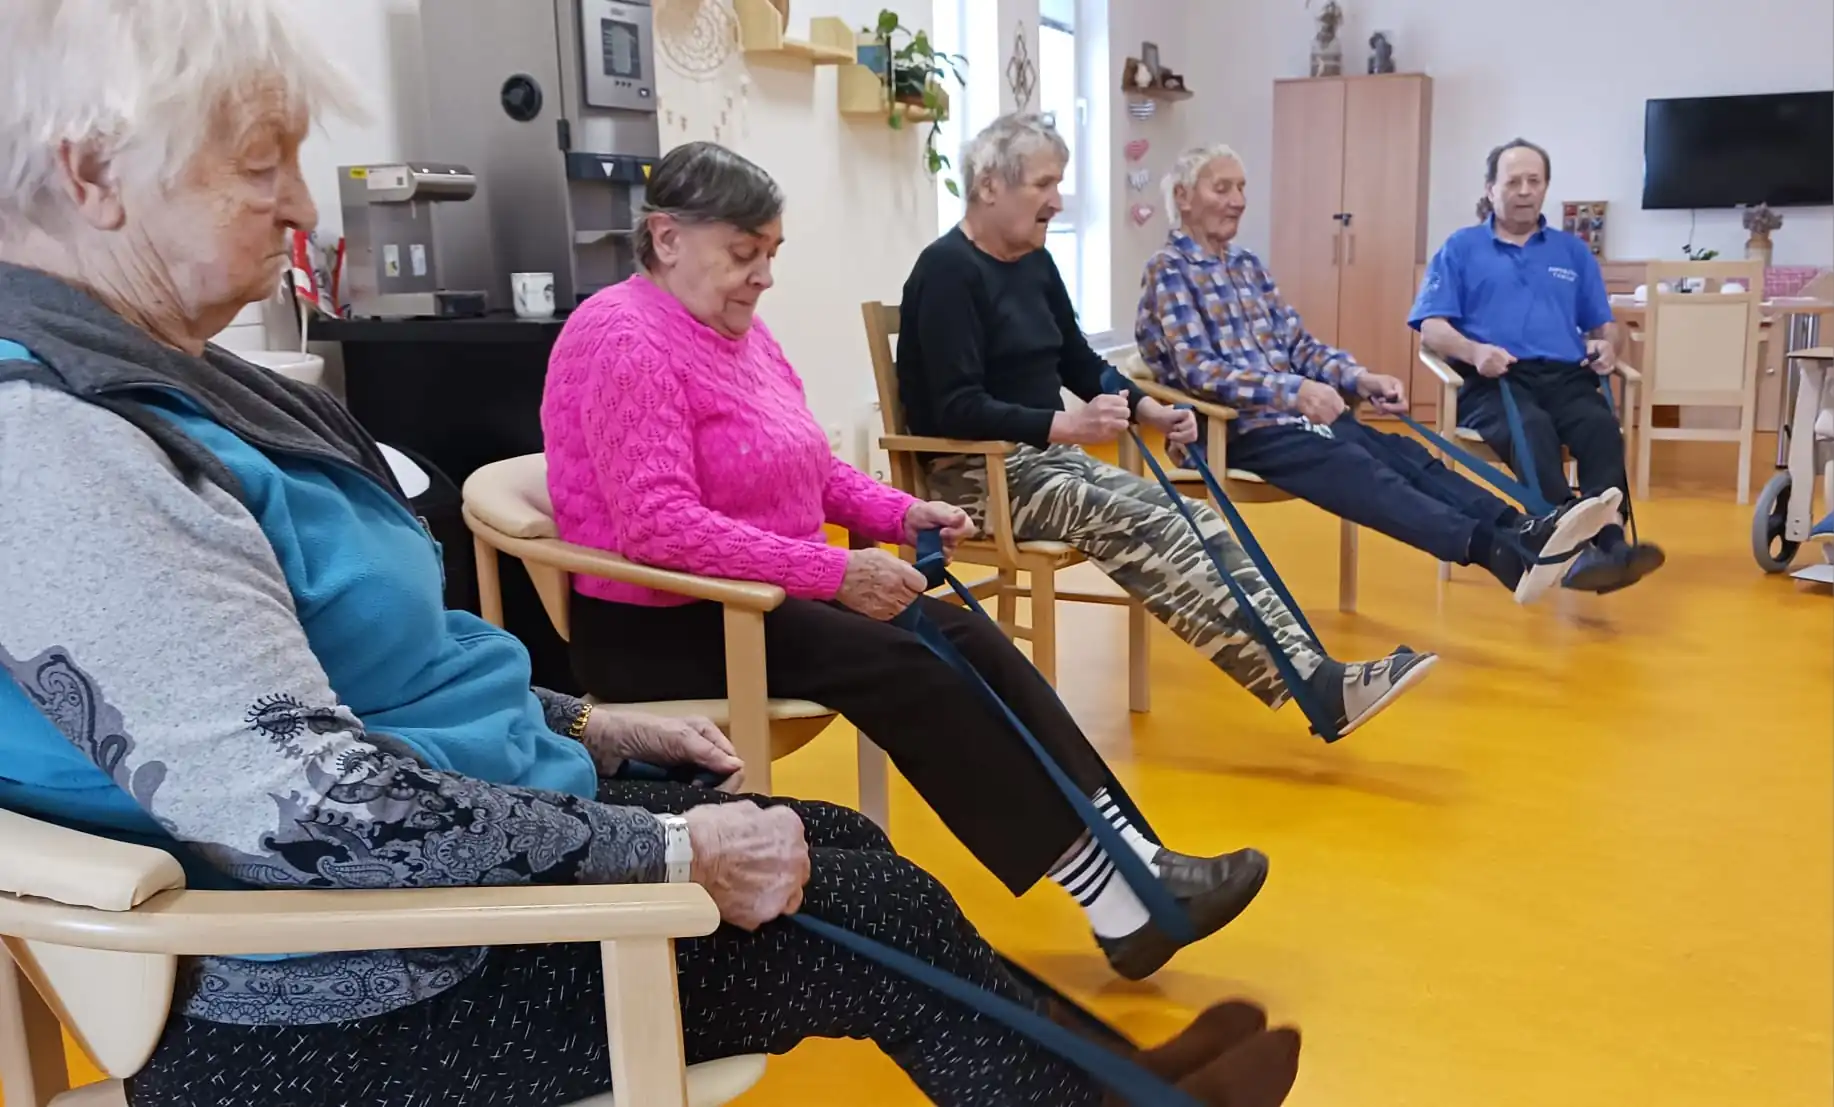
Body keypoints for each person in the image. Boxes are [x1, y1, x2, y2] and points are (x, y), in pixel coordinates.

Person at [0, 4, 1301, 1105]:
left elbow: (366, 677)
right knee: (856, 907)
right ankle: (1111, 1085)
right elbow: (311, 811)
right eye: (259, 166)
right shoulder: (62, 446)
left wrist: (587, 722)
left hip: (449, 845)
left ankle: (1100, 1035)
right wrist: (669, 858)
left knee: (840, 838)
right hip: (346, 983)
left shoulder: (168, 382)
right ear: (94, 172)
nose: (300, 200)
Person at [545, 140, 1269, 985]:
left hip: (758, 593)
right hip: (664, 620)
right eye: (744, 254)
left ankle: (1137, 856)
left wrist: (896, 511)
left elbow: (811, 467)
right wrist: (835, 572)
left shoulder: (740, 334)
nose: (763, 277)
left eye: (771, 254)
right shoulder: (620, 335)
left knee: (970, 638)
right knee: (912, 665)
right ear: (668, 238)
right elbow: (658, 527)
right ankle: (1116, 899)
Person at [897, 113, 1435, 737]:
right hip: (972, 479)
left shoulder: (1035, 263)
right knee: (1152, 521)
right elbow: (953, 407)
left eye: (1059, 183)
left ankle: (1318, 679)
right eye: (1044, 184)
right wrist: (1066, 426)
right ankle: (1314, 685)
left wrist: (1146, 408)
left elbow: (1081, 362)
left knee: (1196, 517)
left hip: (1043, 465)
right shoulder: (946, 271)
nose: (1058, 201)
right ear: (990, 185)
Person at [1136, 144, 1619, 604]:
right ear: (1183, 197)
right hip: (1238, 430)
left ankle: (1521, 529)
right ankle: (1495, 551)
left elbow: (1299, 346)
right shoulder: (1169, 270)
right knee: (1362, 469)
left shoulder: (1246, 266)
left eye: (1241, 187)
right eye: (1222, 188)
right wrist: (1294, 391)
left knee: (1410, 457)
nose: (1238, 200)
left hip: (1299, 418)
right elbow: (1200, 371)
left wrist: (1358, 379)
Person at [1409, 138, 1666, 593]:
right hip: (1495, 380)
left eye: (1534, 181)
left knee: (1601, 429)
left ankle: (1611, 543)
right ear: (1491, 189)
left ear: (1546, 187)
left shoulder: (1572, 252)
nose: (1525, 190)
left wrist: (1608, 347)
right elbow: (1431, 327)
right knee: (1531, 429)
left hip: (1566, 377)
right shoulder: (1461, 248)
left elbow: (1606, 326)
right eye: (1513, 181)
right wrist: (1474, 352)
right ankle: (1568, 542)